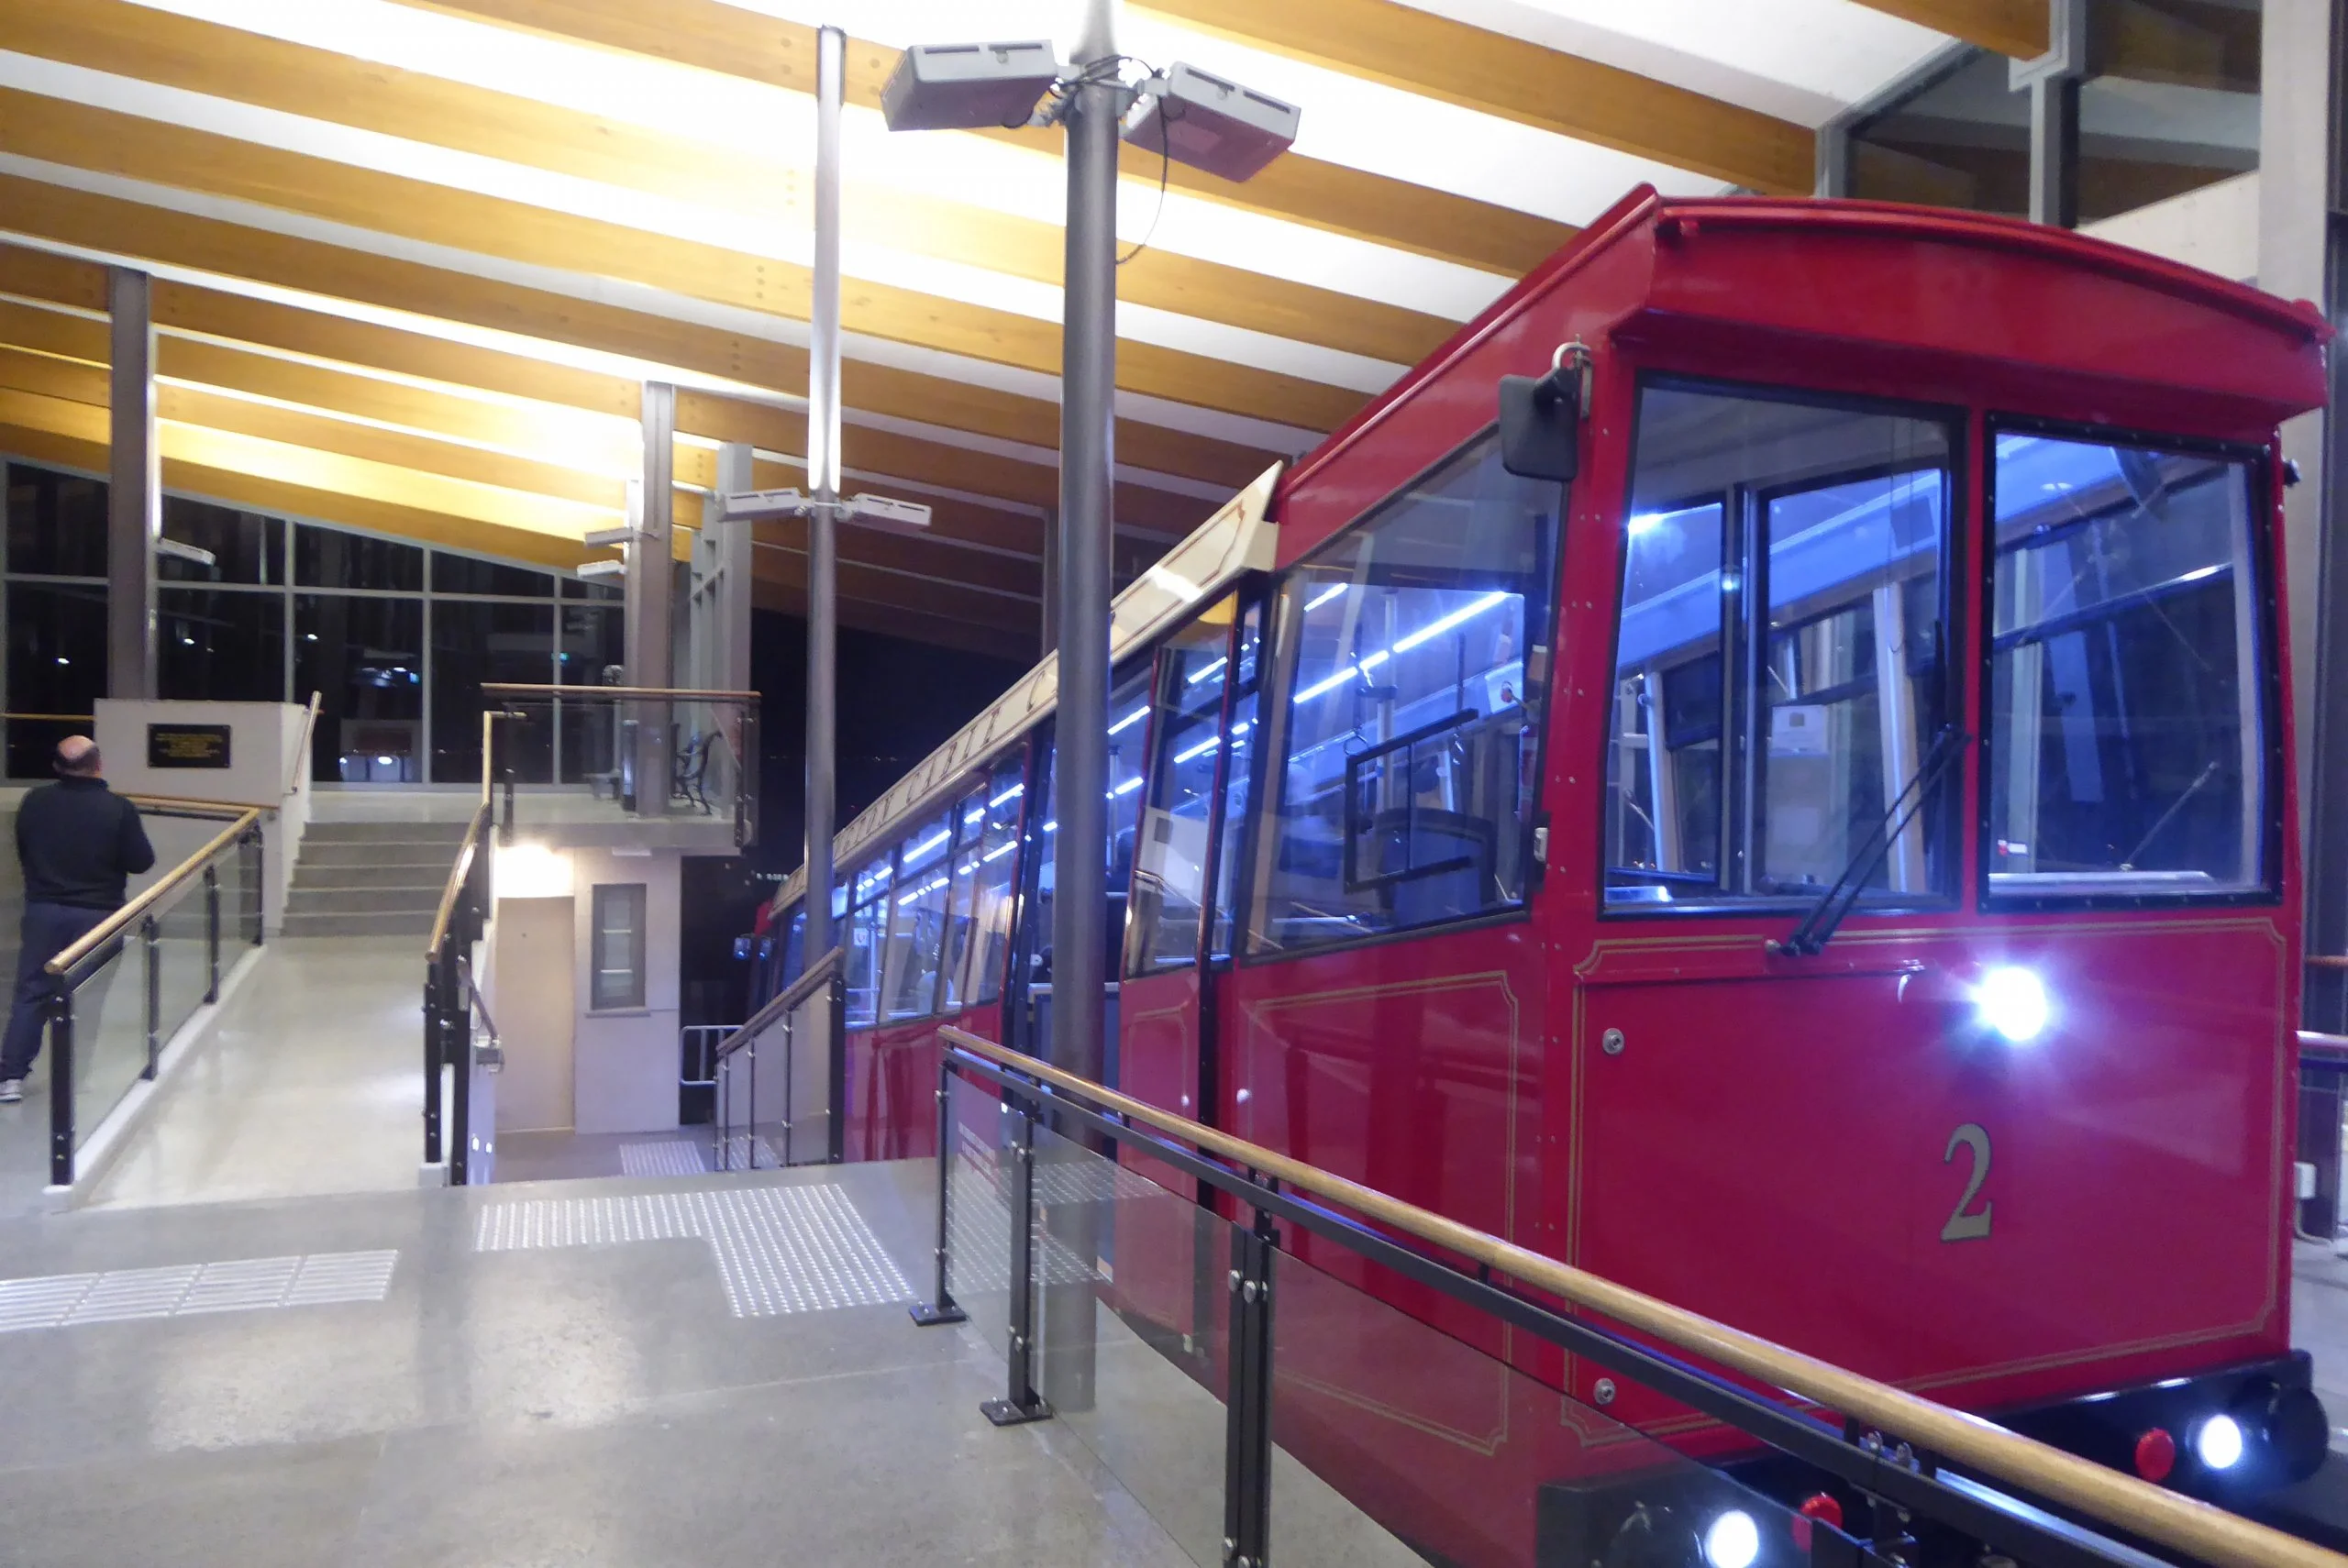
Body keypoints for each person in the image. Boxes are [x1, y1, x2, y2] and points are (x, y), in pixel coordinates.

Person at [0, 737, 155, 1104]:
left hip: (43, 912)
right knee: (88, 996)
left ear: (56, 767)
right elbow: (141, 861)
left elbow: (24, 848)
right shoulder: (118, 809)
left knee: (31, 994)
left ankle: (10, 1077)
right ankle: (74, 1074)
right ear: (99, 765)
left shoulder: (34, 802)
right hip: (99, 917)